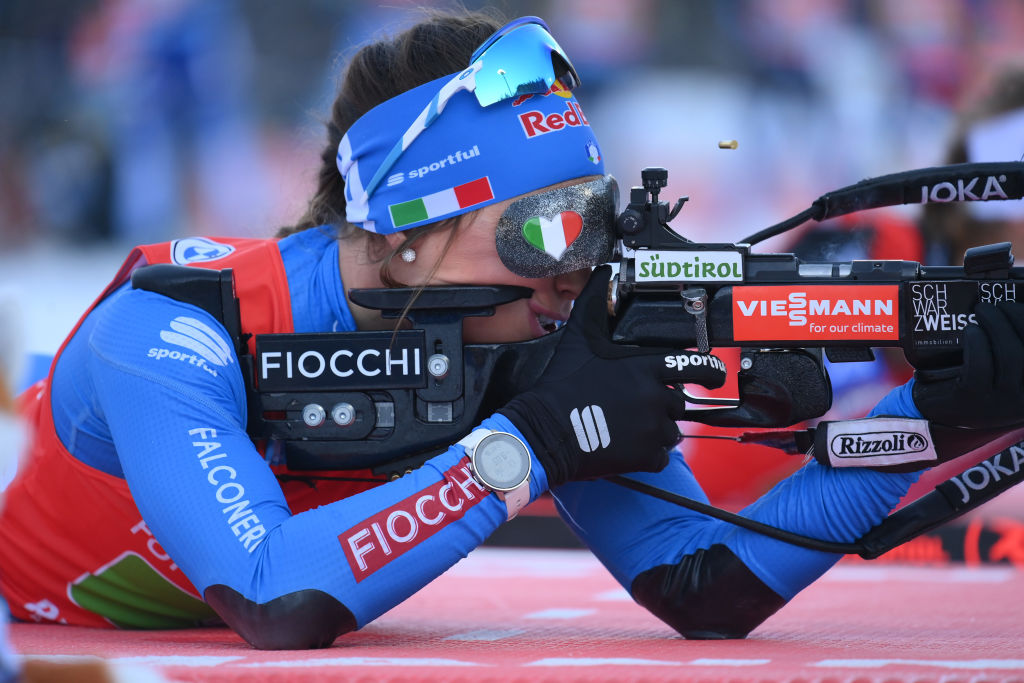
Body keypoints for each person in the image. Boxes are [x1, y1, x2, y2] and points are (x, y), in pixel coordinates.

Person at [2, 10, 1023, 651]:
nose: (574, 263)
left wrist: (923, 418)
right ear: (404, 237)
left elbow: (700, 581)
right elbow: (274, 595)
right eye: (540, 229)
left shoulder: (523, 328)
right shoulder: (180, 327)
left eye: (590, 217)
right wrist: (527, 446)